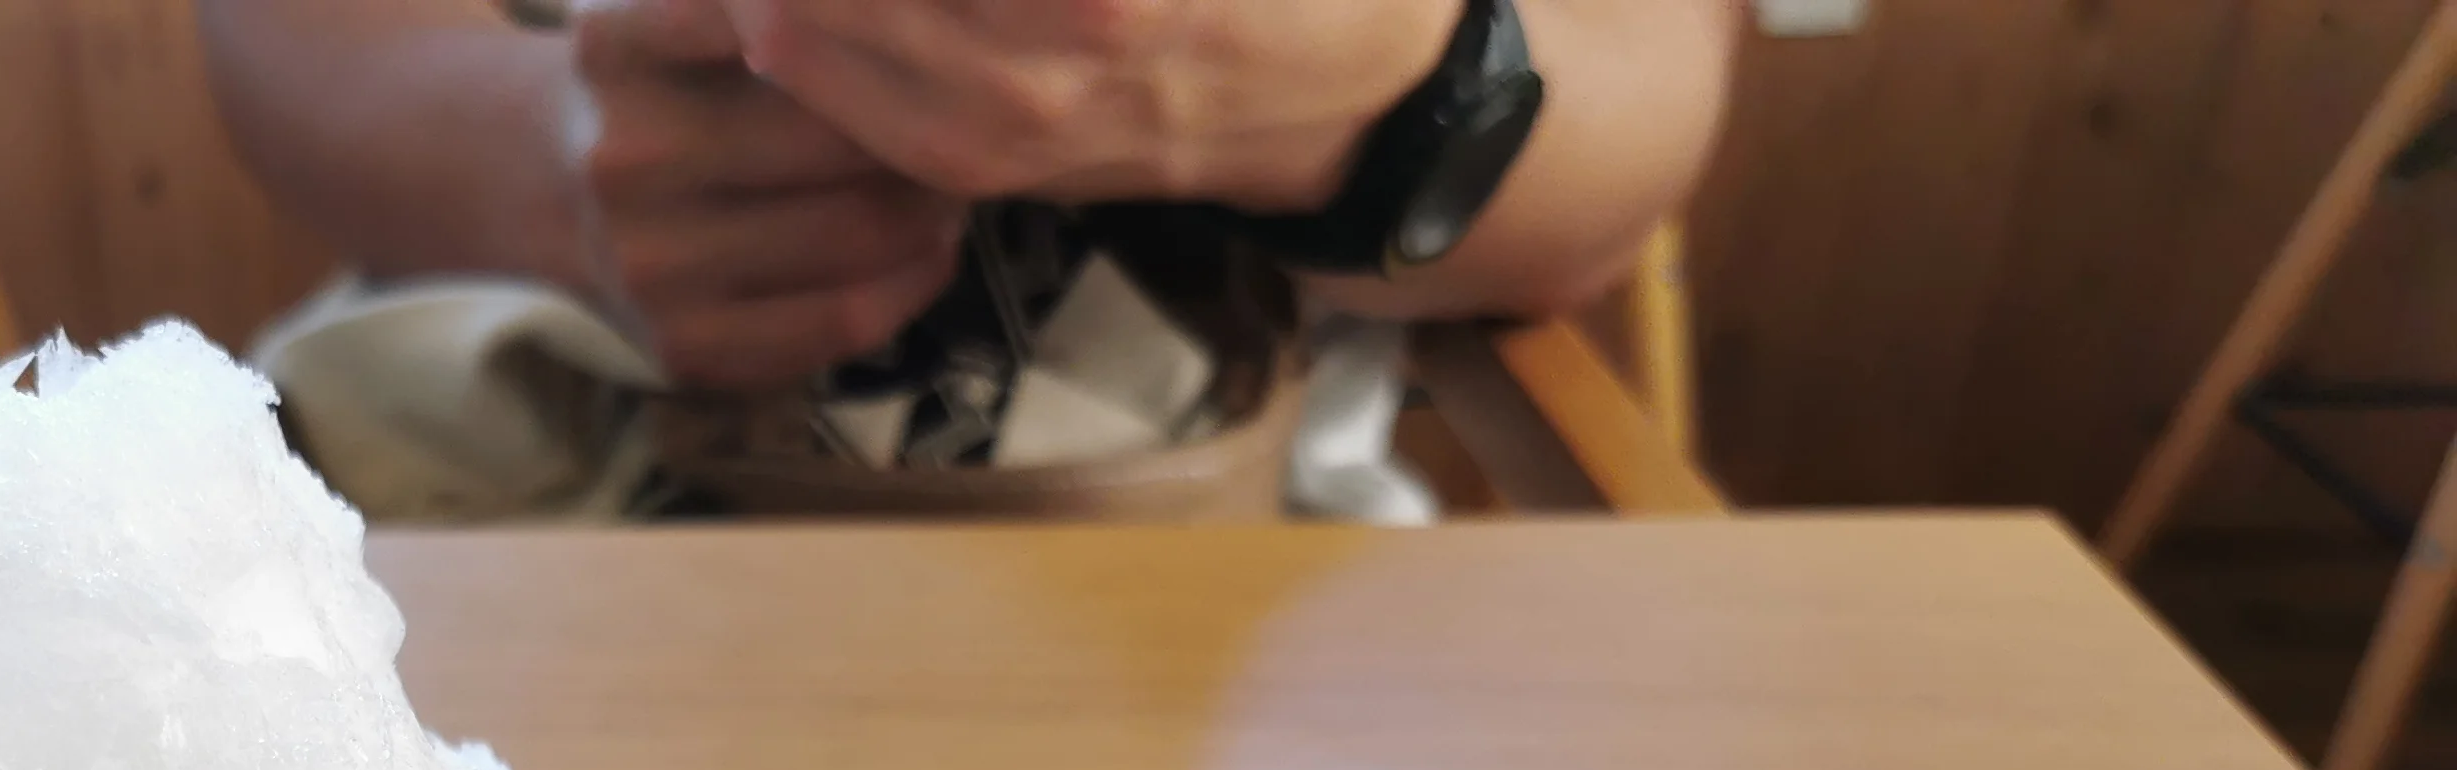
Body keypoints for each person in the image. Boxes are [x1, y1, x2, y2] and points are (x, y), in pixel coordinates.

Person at [199, 0, 1742, 519]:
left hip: (1252, 599)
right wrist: (544, 164)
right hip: (518, 542)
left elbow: (1637, 116)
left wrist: (1384, 89)